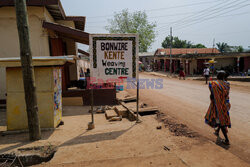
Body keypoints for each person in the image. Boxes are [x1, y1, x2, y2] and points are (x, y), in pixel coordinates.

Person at [205, 71, 231, 145]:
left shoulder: (213, 84)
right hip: (226, 104)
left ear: (217, 76)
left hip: (218, 105)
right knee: (221, 118)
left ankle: (227, 140)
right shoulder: (227, 84)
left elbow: (212, 96)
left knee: (220, 120)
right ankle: (217, 131)